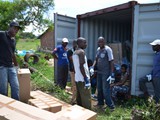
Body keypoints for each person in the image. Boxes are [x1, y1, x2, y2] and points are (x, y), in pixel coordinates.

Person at [92, 36, 115, 111]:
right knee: (99, 88)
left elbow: (111, 61)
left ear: (104, 42)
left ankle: (111, 106)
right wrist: (92, 67)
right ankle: (100, 103)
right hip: (99, 72)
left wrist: (111, 74)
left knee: (106, 89)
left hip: (106, 73)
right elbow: (96, 59)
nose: (100, 43)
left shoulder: (108, 49)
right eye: (99, 42)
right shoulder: (98, 49)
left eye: (101, 42)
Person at [0, 21, 21, 100]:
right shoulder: (2, 34)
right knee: (3, 89)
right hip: (1, 67)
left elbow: (12, 53)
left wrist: (16, 65)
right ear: (10, 28)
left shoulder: (13, 40)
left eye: (17, 29)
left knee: (16, 86)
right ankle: (3, 108)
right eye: (15, 28)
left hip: (10, 66)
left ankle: (16, 105)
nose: (16, 31)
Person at [72, 37, 91, 109]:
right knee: (86, 98)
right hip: (83, 78)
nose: (86, 44)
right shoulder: (81, 52)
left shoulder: (74, 52)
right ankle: (88, 115)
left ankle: (79, 113)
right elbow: (81, 66)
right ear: (79, 43)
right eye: (84, 42)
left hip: (77, 78)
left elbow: (75, 67)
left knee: (79, 97)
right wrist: (86, 78)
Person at [139, 39, 160, 103]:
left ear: (159, 46)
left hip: (158, 76)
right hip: (153, 75)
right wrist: (151, 74)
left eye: (154, 46)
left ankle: (157, 107)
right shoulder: (156, 54)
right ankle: (146, 95)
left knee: (157, 93)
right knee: (141, 80)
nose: (152, 47)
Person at [67, 40, 77, 104]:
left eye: (76, 44)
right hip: (73, 71)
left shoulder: (79, 51)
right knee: (74, 85)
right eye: (74, 44)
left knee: (77, 85)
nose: (75, 45)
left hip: (78, 71)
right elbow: (72, 59)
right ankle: (73, 100)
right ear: (73, 44)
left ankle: (76, 98)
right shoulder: (70, 51)